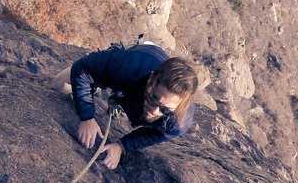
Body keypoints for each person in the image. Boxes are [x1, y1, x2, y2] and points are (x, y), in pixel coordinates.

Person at [53, 43, 198, 169]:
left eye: (165, 110)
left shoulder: (178, 121)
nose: (154, 111)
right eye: (153, 98)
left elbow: (160, 134)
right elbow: (82, 69)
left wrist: (122, 146)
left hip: (142, 75)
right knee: (59, 84)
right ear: (152, 80)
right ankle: (100, 78)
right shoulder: (128, 64)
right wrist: (87, 117)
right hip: (143, 56)